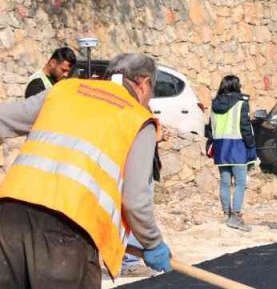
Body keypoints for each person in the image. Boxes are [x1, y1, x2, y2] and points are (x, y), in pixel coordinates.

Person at [0, 52, 172, 286]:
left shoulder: (65, 90)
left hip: (8, 221)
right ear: (143, 82)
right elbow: (135, 199)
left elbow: (4, 119)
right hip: (66, 236)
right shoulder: (137, 118)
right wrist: (152, 243)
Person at [206, 75, 256, 231]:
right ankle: (236, 216)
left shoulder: (215, 104)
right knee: (240, 182)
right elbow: (246, 127)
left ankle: (226, 214)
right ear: (237, 86)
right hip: (238, 147)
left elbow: (210, 128)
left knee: (225, 182)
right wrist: (251, 146)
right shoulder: (241, 104)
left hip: (220, 147)